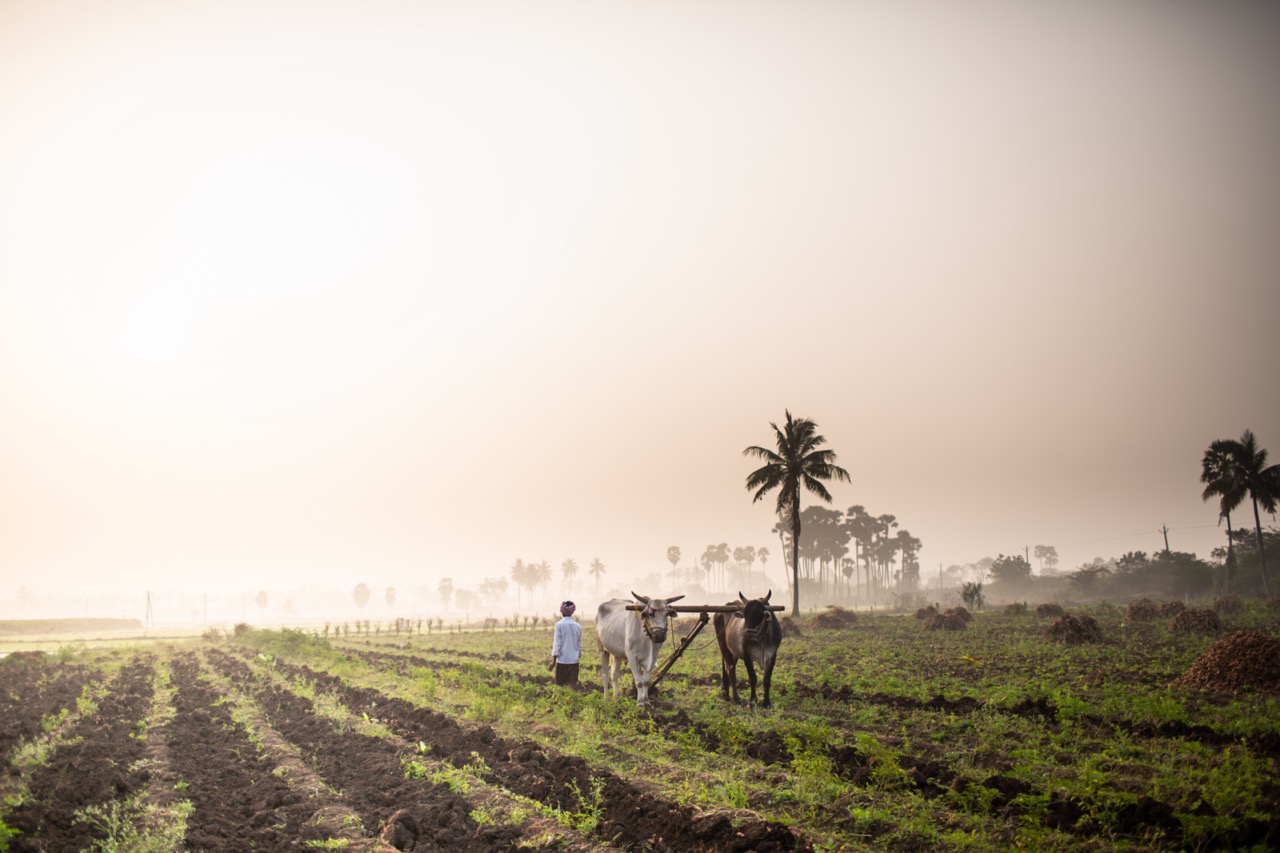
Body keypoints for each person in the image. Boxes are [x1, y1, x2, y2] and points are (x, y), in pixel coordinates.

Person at [550, 601, 583, 686]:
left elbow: (557, 643)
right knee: (572, 686)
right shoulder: (578, 626)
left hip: (562, 661)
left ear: (561, 611)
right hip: (574, 661)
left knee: (560, 687)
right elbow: (579, 644)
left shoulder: (559, 625)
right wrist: (577, 656)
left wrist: (553, 662)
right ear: (572, 612)